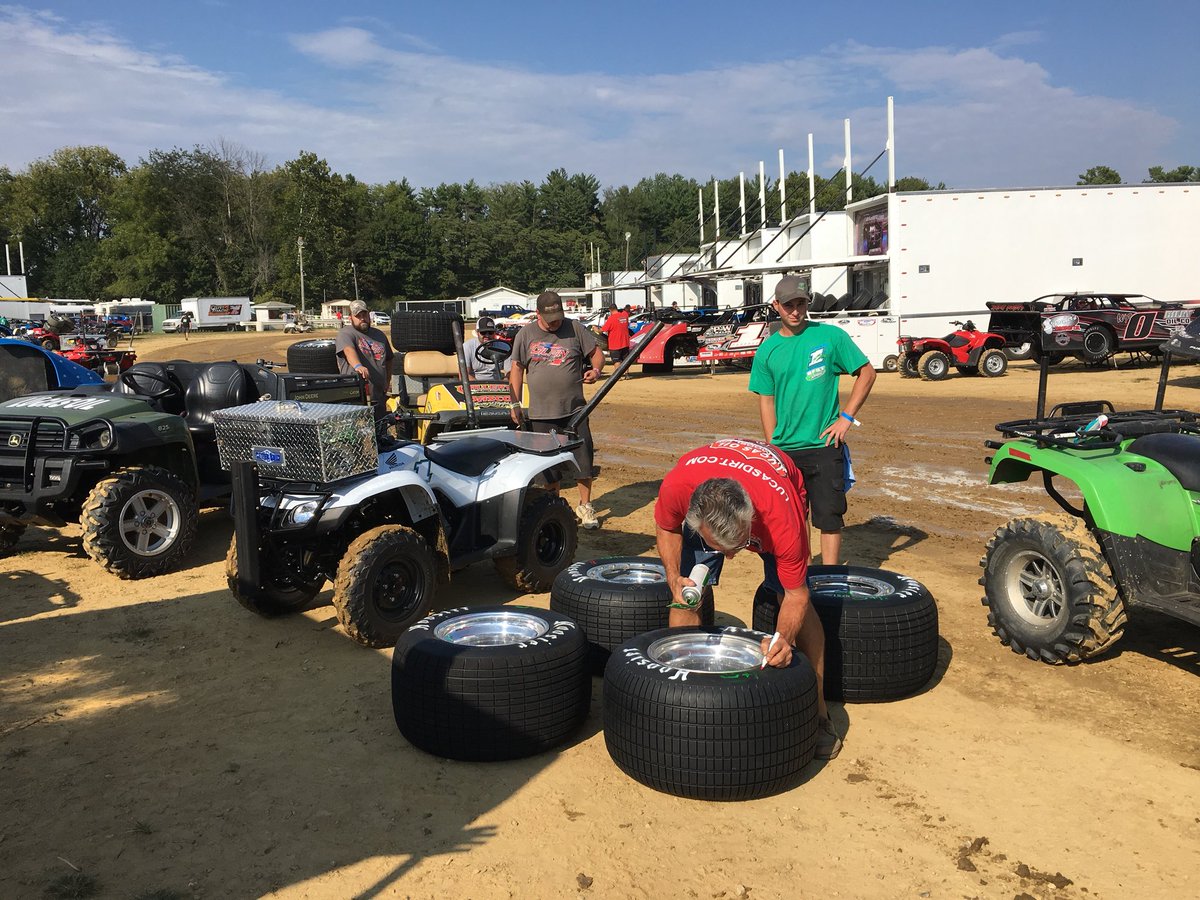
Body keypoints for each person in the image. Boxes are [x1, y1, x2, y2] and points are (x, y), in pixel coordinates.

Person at [654, 437, 841, 759]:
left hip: (779, 485)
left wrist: (783, 638)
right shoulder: (677, 487)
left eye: (738, 547)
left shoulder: (781, 514)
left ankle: (820, 713)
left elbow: (797, 595)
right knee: (686, 594)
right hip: (708, 483)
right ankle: (678, 698)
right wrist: (674, 579)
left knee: (789, 592)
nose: (729, 558)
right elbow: (666, 528)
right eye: (719, 549)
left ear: (750, 519)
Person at [749, 275, 876, 565]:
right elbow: (766, 401)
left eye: (801, 304)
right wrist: (772, 448)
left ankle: (828, 574)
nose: (795, 311)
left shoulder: (830, 337)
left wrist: (846, 418)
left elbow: (867, 373)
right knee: (794, 517)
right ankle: (802, 573)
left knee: (830, 517)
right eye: (789, 305)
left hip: (824, 445)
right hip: (785, 451)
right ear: (776, 306)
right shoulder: (767, 350)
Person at [509, 290, 605, 529]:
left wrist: (596, 370)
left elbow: (597, 354)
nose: (556, 324)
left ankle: (585, 506)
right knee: (549, 468)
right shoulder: (526, 334)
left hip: (575, 410)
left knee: (583, 460)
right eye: (550, 320)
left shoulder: (575, 328)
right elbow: (517, 369)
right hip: (542, 414)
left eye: (558, 318)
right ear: (537, 314)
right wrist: (515, 403)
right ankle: (554, 509)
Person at [335, 300, 394, 420]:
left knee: (379, 431)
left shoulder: (379, 335)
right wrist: (358, 366)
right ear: (351, 317)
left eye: (364, 315)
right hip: (356, 397)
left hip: (378, 395)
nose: (362, 319)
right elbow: (348, 350)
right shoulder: (346, 333)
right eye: (358, 316)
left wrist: (387, 381)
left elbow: (389, 359)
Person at [463, 316, 507, 381]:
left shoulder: (504, 347)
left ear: (495, 332)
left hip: (498, 385)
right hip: (474, 386)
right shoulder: (467, 346)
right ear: (477, 333)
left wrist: (504, 383)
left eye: (490, 332)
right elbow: (464, 374)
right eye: (483, 332)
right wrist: (480, 387)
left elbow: (511, 372)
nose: (487, 335)